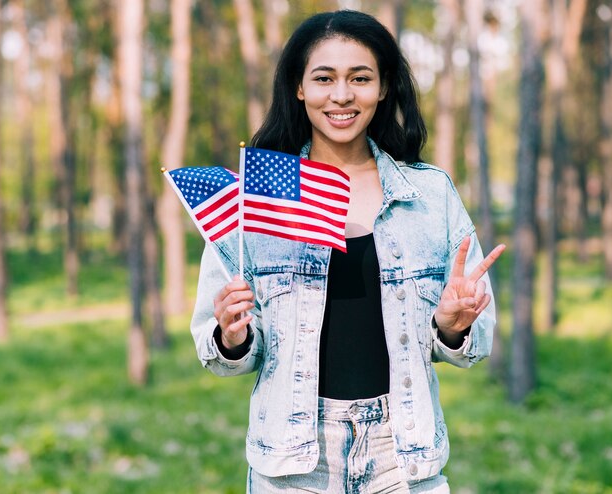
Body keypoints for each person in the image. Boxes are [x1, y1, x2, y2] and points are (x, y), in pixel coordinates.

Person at [190, 10, 505, 493]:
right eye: (324, 78)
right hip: (293, 460)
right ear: (299, 88)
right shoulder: (259, 196)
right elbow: (218, 348)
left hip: (402, 454)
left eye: (360, 78)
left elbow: (474, 339)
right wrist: (233, 336)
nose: (341, 95)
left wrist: (452, 326)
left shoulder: (430, 194)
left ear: (382, 88)